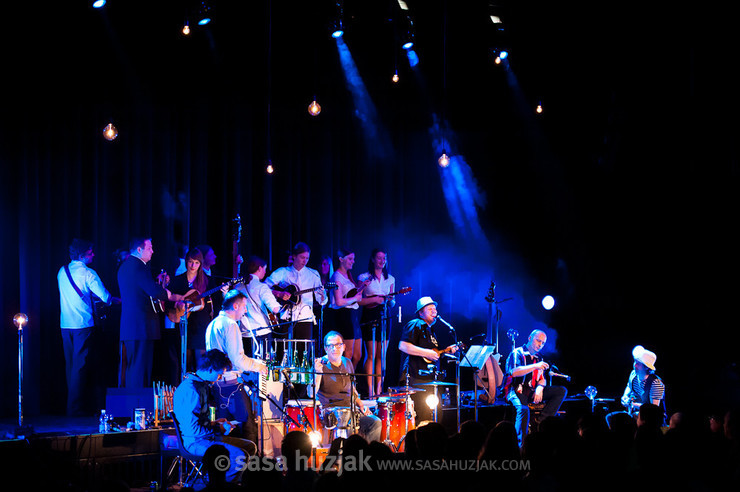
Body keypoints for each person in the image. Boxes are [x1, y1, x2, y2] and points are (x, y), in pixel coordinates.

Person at [172, 348, 256, 484]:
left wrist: (215, 423)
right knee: (239, 456)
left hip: (204, 437)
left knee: (250, 447)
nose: (220, 379)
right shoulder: (191, 391)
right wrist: (219, 428)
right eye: (219, 375)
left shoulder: (199, 386)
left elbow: (197, 423)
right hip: (195, 442)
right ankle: (217, 485)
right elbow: (193, 431)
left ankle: (233, 481)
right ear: (210, 369)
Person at [57, 238, 120, 416]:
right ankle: (74, 409)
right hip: (82, 325)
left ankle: (72, 406)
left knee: (70, 366)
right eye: (91, 252)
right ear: (83, 254)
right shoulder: (88, 274)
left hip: (65, 324)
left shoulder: (62, 271)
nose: (93, 254)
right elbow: (106, 298)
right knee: (80, 367)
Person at [118, 236, 183, 388]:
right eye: (149, 248)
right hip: (142, 327)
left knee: (132, 368)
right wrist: (170, 294)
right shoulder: (139, 267)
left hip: (130, 327)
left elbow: (140, 291)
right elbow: (154, 292)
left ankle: (131, 405)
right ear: (139, 250)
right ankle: (137, 408)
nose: (152, 251)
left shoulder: (125, 266)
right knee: (140, 370)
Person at [205, 289, 268, 445]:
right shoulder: (231, 324)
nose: (245, 311)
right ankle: (249, 466)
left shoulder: (212, 324)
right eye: (244, 307)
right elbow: (237, 359)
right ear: (235, 306)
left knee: (226, 429)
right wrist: (258, 366)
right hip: (231, 384)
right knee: (248, 428)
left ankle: (227, 465)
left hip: (218, 385)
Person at [313, 331, 382, 444]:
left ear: (344, 347)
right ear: (326, 348)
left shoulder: (348, 362)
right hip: (331, 412)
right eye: (330, 345)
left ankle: (368, 456)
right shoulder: (320, 365)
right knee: (347, 423)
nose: (334, 348)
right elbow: (311, 393)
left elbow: (352, 390)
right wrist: (317, 373)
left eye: (338, 345)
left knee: (375, 422)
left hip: (350, 410)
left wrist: (361, 405)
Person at [398, 296, 458, 424]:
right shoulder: (416, 324)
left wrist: (446, 351)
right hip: (416, 380)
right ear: (420, 313)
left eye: (435, 309)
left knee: (435, 417)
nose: (434, 311)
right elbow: (403, 346)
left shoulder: (431, 332)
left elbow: (432, 355)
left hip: (428, 381)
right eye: (429, 309)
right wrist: (427, 353)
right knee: (422, 417)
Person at [504, 329, 567, 446]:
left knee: (561, 391)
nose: (540, 345)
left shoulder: (539, 358)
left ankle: (540, 422)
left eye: (543, 343)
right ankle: (521, 445)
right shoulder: (517, 353)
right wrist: (535, 366)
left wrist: (540, 388)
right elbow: (514, 372)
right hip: (516, 390)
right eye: (538, 341)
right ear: (529, 338)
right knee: (523, 409)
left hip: (531, 391)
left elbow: (542, 379)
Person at [265, 242, 328, 342]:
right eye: (302, 257)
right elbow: (264, 287)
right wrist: (279, 294)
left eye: (307, 258)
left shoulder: (313, 274)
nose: (305, 261)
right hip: (286, 317)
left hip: (305, 318)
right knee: (285, 349)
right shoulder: (283, 272)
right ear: (294, 256)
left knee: (304, 351)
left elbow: (321, 301)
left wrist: (323, 296)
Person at [168, 248, 217, 372]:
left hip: (200, 324)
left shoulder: (208, 281)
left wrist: (224, 293)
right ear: (186, 262)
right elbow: (168, 300)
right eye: (190, 262)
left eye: (196, 262)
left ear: (200, 264)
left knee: (201, 361)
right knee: (185, 361)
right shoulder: (177, 280)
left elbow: (214, 302)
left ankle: (201, 388)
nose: (193, 265)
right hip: (183, 323)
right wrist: (178, 303)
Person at [357, 249, 396, 397]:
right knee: (371, 354)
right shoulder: (364, 277)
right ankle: (370, 389)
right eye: (379, 258)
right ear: (373, 259)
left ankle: (379, 389)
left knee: (382, 355)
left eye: (384, 258)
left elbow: (393, 302)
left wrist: (389, 299)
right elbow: (358, 299)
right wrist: (375, 299)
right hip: (369, 314)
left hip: (385, 313)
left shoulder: (390, 278)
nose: (381, 261)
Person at [235, 255, 282, 359]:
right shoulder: (261, 287)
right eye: (264, 269)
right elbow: (275, 308)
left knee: (246, 364)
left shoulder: (238, 286)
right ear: (260, 268)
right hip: (262, 332)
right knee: (262, 366)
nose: (265, 273)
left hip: (245, 332)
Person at [326, 248, 365, 369]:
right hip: (344, 315)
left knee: (358, 354)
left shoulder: (347, 276)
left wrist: (362, 288)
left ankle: (350, 378)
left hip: (353, 315)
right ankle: (345, 381)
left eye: (353, 259)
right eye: (350, 259)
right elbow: (338, 301)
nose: (353, 261)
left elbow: (354, 295)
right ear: (341, 259)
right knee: (348, 353)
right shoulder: (337, 276)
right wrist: (355, 298)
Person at [618, 345, 666, 422]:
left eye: (638, 363)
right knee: (611, 418)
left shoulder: (656, 383)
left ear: (646, 367)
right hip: (634, 413)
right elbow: (629, 386)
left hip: (649, 420)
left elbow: (653, 409)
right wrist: (625, 396)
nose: (635, 365)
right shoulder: (633, 374)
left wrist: (633, 404)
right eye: (635, 362)